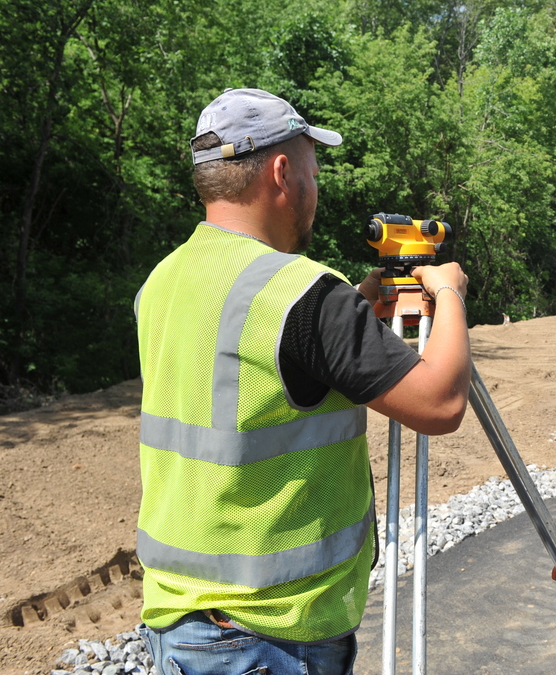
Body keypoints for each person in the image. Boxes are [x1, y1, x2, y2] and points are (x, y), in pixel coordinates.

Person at [134, 88, 471, 675]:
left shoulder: (162, 281)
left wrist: (353, 309)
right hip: (269, 635)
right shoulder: (305, 294)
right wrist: (448, 293)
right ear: (282, 172)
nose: (317, 190)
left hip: (177, 624)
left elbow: (254, 375)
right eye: (314, 171)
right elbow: (440, 403)